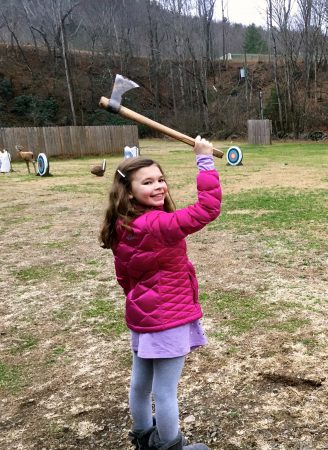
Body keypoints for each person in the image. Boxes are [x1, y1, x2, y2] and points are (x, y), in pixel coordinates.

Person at [99, 136, 221, 450]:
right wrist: (204, 159)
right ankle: (170, 446)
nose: (159, 186)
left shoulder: (122, 225)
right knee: (165, 392)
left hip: (143, 318)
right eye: (148, 182)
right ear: (128, 191)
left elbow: (123, 276)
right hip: (168, 318)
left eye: (161, 179)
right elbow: (207, 209)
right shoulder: (157, 224)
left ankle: (144, 438)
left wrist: (139, 300)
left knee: (141, 386)